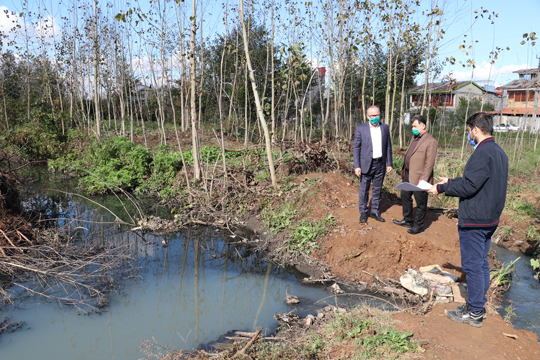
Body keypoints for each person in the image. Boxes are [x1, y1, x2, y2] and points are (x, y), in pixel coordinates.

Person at [428, 112, 508, 328]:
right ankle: (477, 306)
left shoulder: (482, 153)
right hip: (490, 219)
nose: (468, 135)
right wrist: (453, 181)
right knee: (481, 264)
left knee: (472, 266)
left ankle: (474, 314)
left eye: (469, 130)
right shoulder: (498, 152)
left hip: (476, 220)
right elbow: (480, 181)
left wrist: (442, 187)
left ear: (475, 129)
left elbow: (470, 186)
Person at [393, 114, 438, 234]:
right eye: (412, 126)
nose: (413, 128)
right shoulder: (414, 137)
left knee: (420, 202)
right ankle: (407, 220)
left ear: (423, 126)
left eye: (415, 126)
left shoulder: (431, 141)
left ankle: (418, 226)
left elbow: (429, 163)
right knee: (405, 195)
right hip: (408, 174)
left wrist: (423, 179)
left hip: (420, 178)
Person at [353, 105, 393, 224]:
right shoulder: (361, 128)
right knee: (364, 189)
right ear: (367, 116)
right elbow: (356, 148)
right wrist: (357, 166)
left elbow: (389, 146)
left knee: (377, 189)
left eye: (376, 115)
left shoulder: (385, 128)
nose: (374, 117)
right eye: (372, 116)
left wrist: (389, 163)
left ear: (379, 115)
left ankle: (375, 211)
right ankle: (364, 212)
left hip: (380, 163)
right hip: (366, 164)